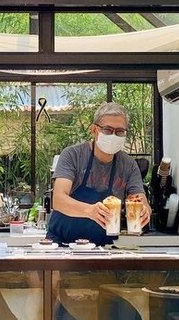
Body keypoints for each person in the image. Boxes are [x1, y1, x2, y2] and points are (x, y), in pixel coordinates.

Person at [46, 102, 152, 246]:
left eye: (120, 131)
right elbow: (58, 200)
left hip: (102, 248)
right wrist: (90, 210)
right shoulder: (73, 155)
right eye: (108, 130)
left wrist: (144, 212)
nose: (114, 135)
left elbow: (140, 200)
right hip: (61, 245)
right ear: (94, 130)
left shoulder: (128, 165)